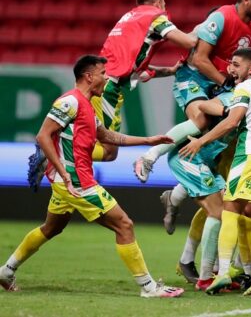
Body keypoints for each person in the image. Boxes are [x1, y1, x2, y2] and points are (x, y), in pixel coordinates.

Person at [0, 55, 183, 298]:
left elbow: (107, 136)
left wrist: (148, 140)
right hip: (76, 180)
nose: (106, 78)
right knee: (124, 224)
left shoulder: (86, 105)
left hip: (69, 180)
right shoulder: (69, 102)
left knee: (52, 227)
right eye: (103, 73)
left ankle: (6, 270)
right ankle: (148, 287)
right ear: (89, 76)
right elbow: (43, 136)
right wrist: (64, 172)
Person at [27, 0, 196, 190]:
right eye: (164, 6)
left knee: (108, 151)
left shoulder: (129, 19)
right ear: (158, 3)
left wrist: (169, 70)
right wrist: (208, 32)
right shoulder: (155, 17)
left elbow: (138, 69)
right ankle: (54, 152)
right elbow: (189, 42)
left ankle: (57, 152)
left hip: (103, 83)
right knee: (108, 151)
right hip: (108, 89)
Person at [134, 0, 251, 182]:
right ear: (246, 0)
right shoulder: (221, 17)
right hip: (194, 78)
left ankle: (178, 193)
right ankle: (149, 156)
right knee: (200, 121)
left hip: (219, 84)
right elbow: (200, 59)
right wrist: (226, 83)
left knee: (228, 126)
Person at [179, 47, 251, 296]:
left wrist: (200, 142)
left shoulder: (245, 88)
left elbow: (232, 121)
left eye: (236, 65)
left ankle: (224, 272)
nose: (230, 69)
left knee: (230, 212)